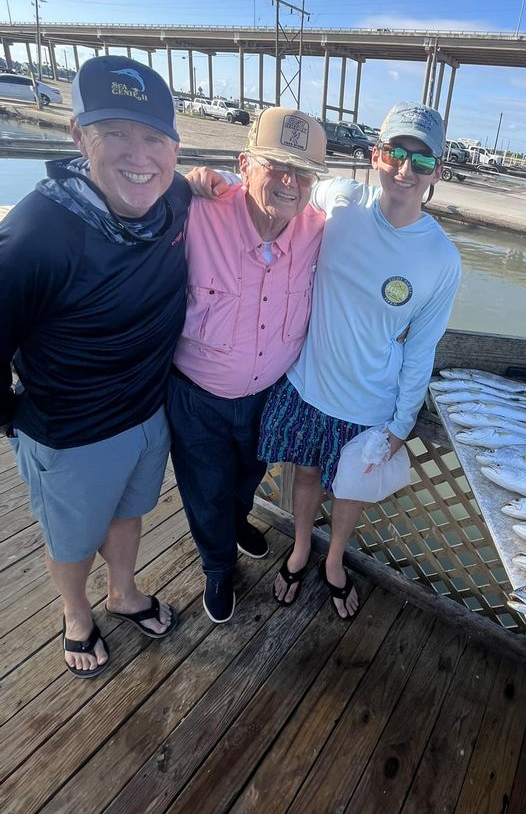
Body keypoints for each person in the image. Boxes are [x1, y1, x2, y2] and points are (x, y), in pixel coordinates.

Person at [0, 55, 187, 677]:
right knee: (72, 540)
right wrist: (19, 417)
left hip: (147, 413)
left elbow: (208, 186)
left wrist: (212, 180)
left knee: (131, 515)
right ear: (79, 136)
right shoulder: (38, 231)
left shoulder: (175, 198)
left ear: (174, 147)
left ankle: (124, 591)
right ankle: (76, 614)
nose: (140, 155)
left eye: (154, 137)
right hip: (71, 432)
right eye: (115, 133)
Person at [259, 102, 462, 619]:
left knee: (348, 492)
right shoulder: (339, 200)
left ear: (437, 171)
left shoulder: (441, 258)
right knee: (304, 475)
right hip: (309, 383)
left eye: (421, 160)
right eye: (396, 152)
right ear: (376, 156)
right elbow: (275, 192)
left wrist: (402, 422)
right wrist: (205, 184)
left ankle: (333, 560)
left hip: (371, 400)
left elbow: (421, 347)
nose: (405, 169)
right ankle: (301, 547)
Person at [168, 109, 328, 624]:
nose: (289, 181)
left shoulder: (319, 230)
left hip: (269, 395)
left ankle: (236, 523)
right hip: (197, 395)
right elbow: (130, 200)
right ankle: (217, 567)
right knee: (205, 489)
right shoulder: (197, 212)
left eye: (303, 171)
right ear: (244, 164)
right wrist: (181, 183)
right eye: (276, 165)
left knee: (248, 477)